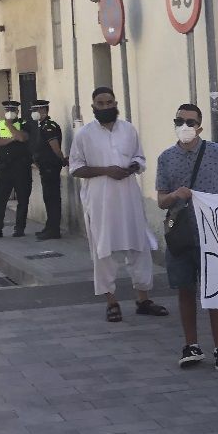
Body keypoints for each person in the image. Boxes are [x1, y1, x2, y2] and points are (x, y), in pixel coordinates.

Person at [157, 104, 218, 372]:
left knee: (215, 292)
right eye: (180, 121)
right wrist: (176, 195)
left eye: (191, 122)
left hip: (212, 234)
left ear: (199, 126)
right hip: (181, 234)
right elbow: (162, 199)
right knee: (185, 289)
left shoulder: (215, 152)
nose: (185, 126)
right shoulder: (166, 158)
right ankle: (191, 345)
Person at [69, 87, 169, 323]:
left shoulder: (128, 129)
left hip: (129, 197)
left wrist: (131, 167)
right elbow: (76, 168)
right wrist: (107, 171)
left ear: (116, 103)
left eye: (109, 103)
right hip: (100, 201)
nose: (105, 107)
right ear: (93, 107)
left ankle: (143, 299)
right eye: (100, 104)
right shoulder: (84, 134)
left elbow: (140, 158)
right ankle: (111, 301)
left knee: (139, 246)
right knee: (104, 250)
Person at [0, 100, 33, 239]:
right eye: (7, 109)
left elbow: (22, 137)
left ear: (17, 111)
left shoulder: (24, 124)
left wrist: (10, 126)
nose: (10, 112)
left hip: (22, 167)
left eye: (12, 109)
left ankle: (19, 229)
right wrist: (11, 139)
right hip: (4, 168)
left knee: (22, 199)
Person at [28, 99, 67, 240]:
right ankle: (49, 227)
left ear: (43, 110)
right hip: (45, 167)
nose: (33, 113)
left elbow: (55, 148)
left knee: (52, 198)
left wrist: (62, 160)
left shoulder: (49, 126)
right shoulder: (43, 125)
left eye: (35, 110)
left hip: (51, 167)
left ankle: (54, 230)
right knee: (48, 198)